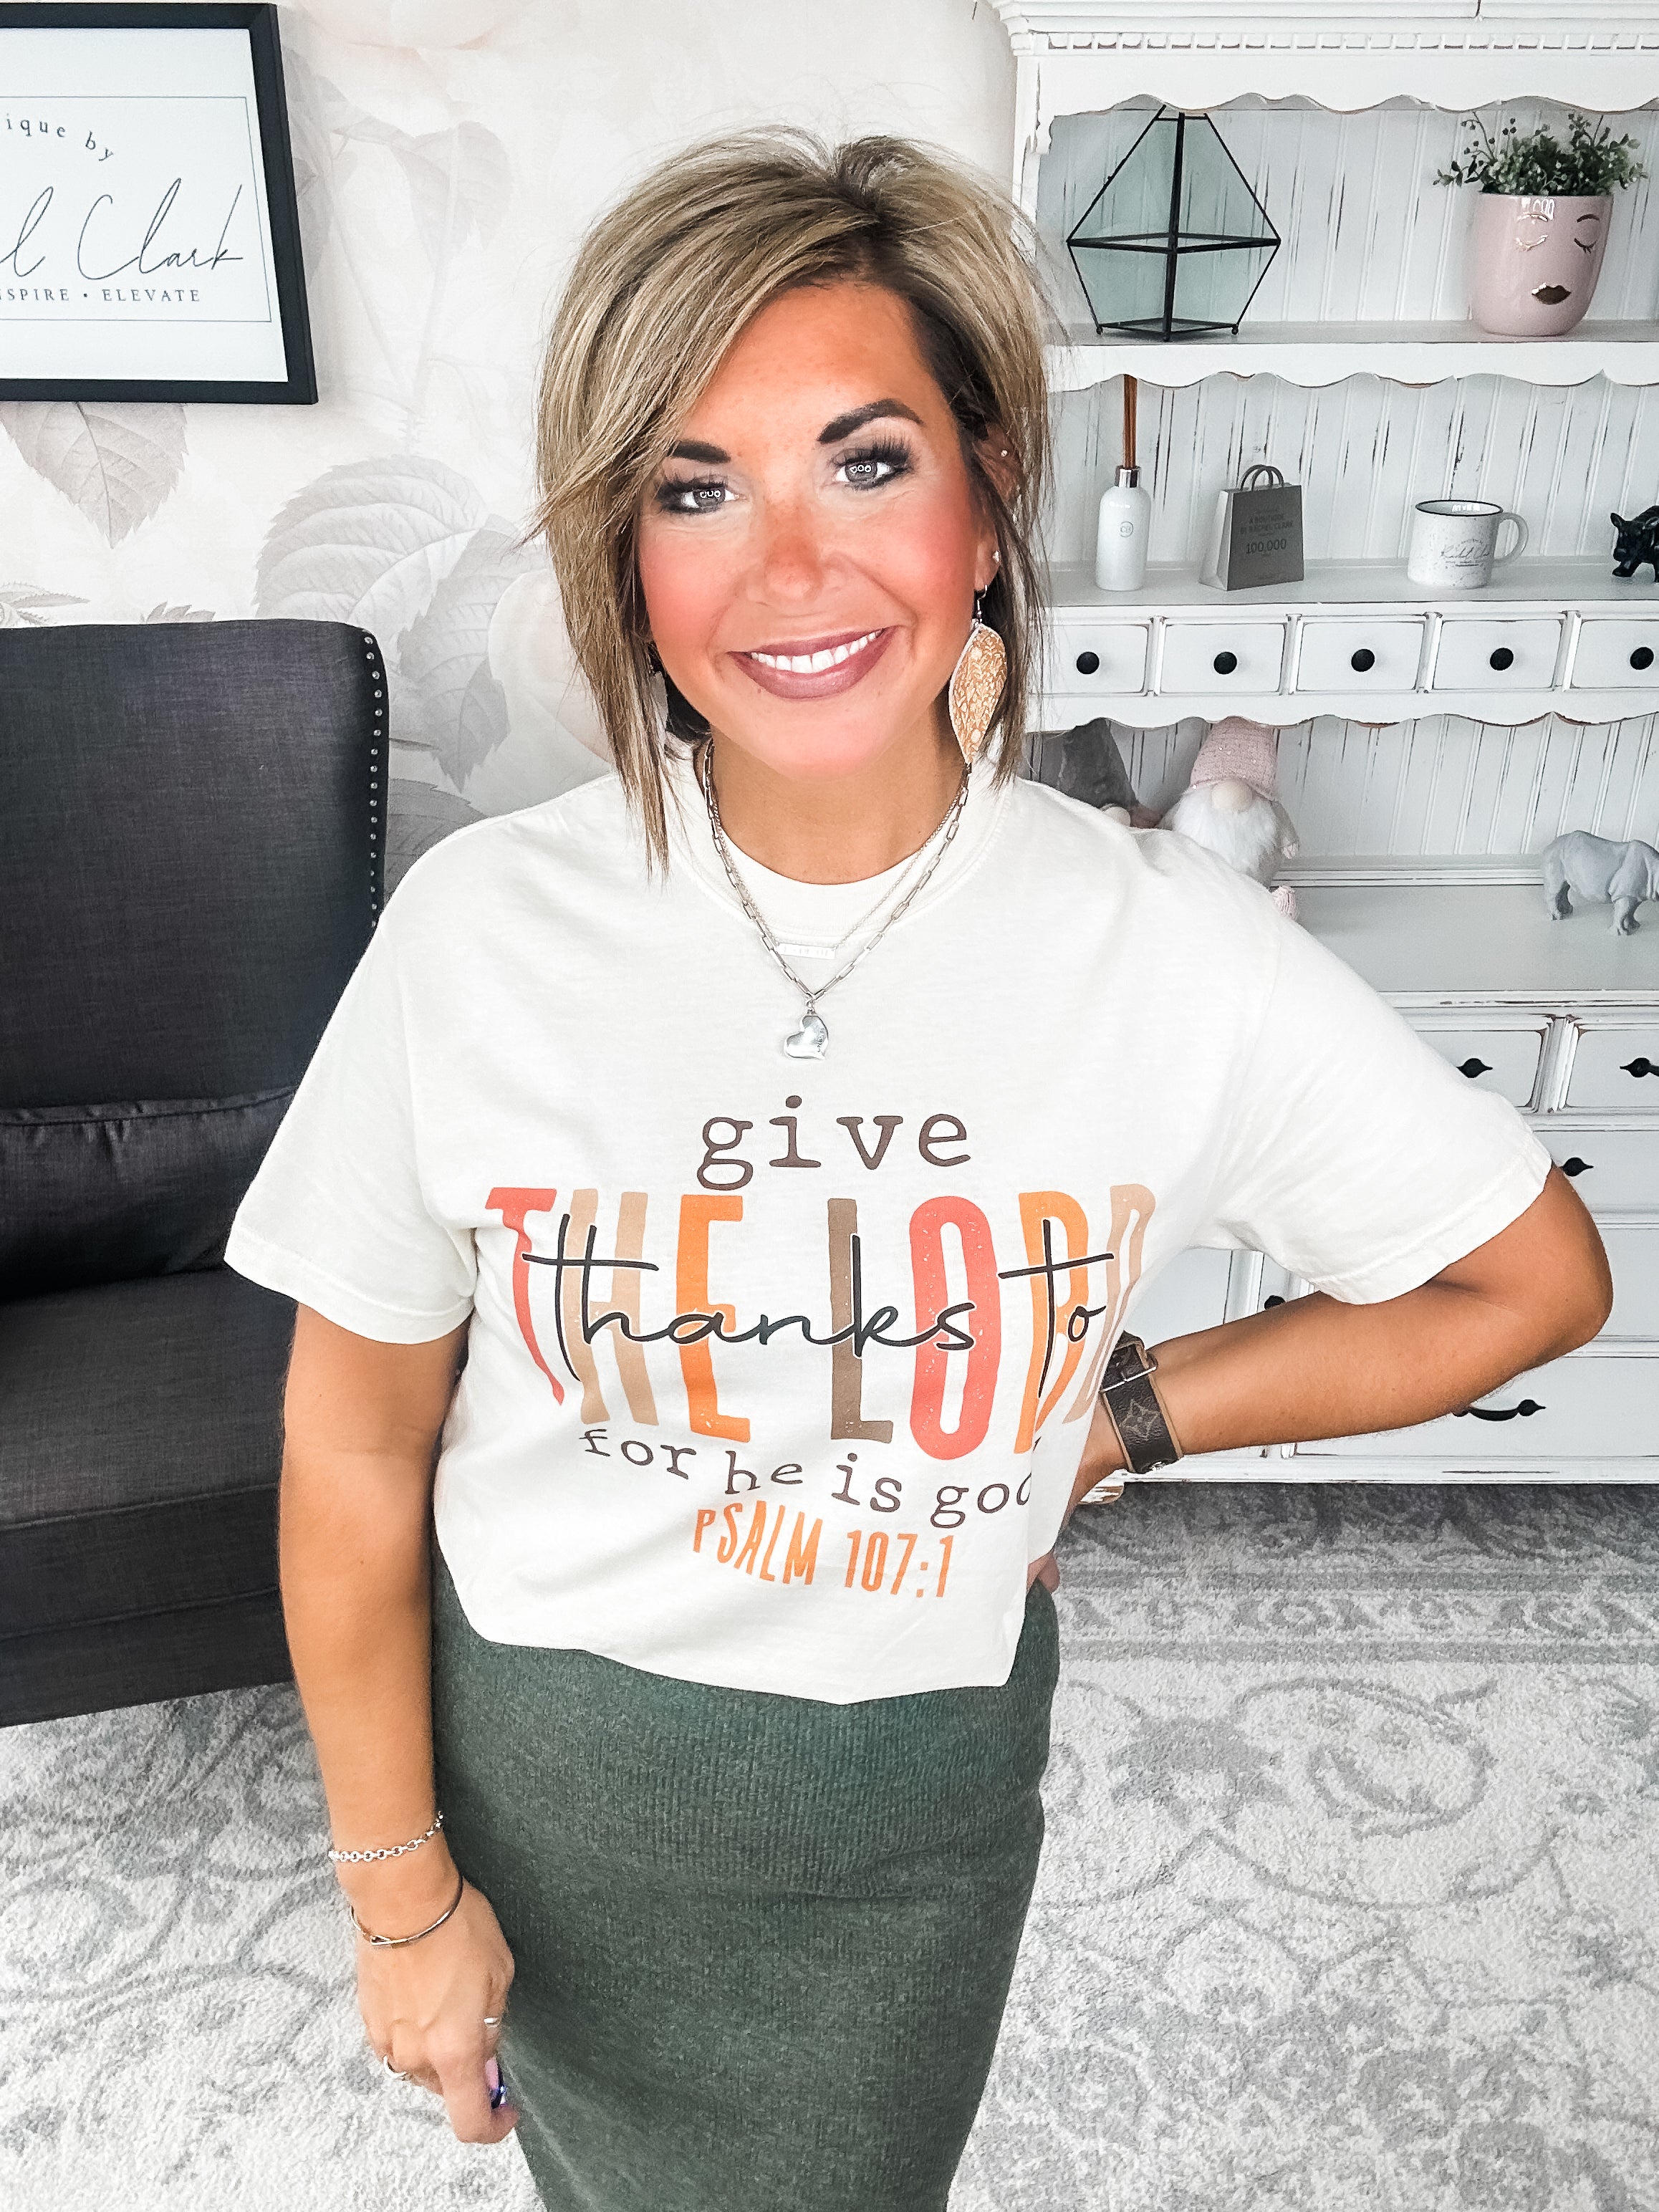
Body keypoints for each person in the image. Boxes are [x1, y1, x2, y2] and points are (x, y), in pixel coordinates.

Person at [225, 130, 1611, 2212]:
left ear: (981, 502)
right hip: (546, 1769)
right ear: (626, 555)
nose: (786, 570)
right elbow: (349, 1444)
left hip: (905, 1811)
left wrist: (1118, 1426)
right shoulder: (479, 933)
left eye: (863, 462)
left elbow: (1525, 1285)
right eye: (695, 488)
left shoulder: (1165, 951)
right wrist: (399, 1888)